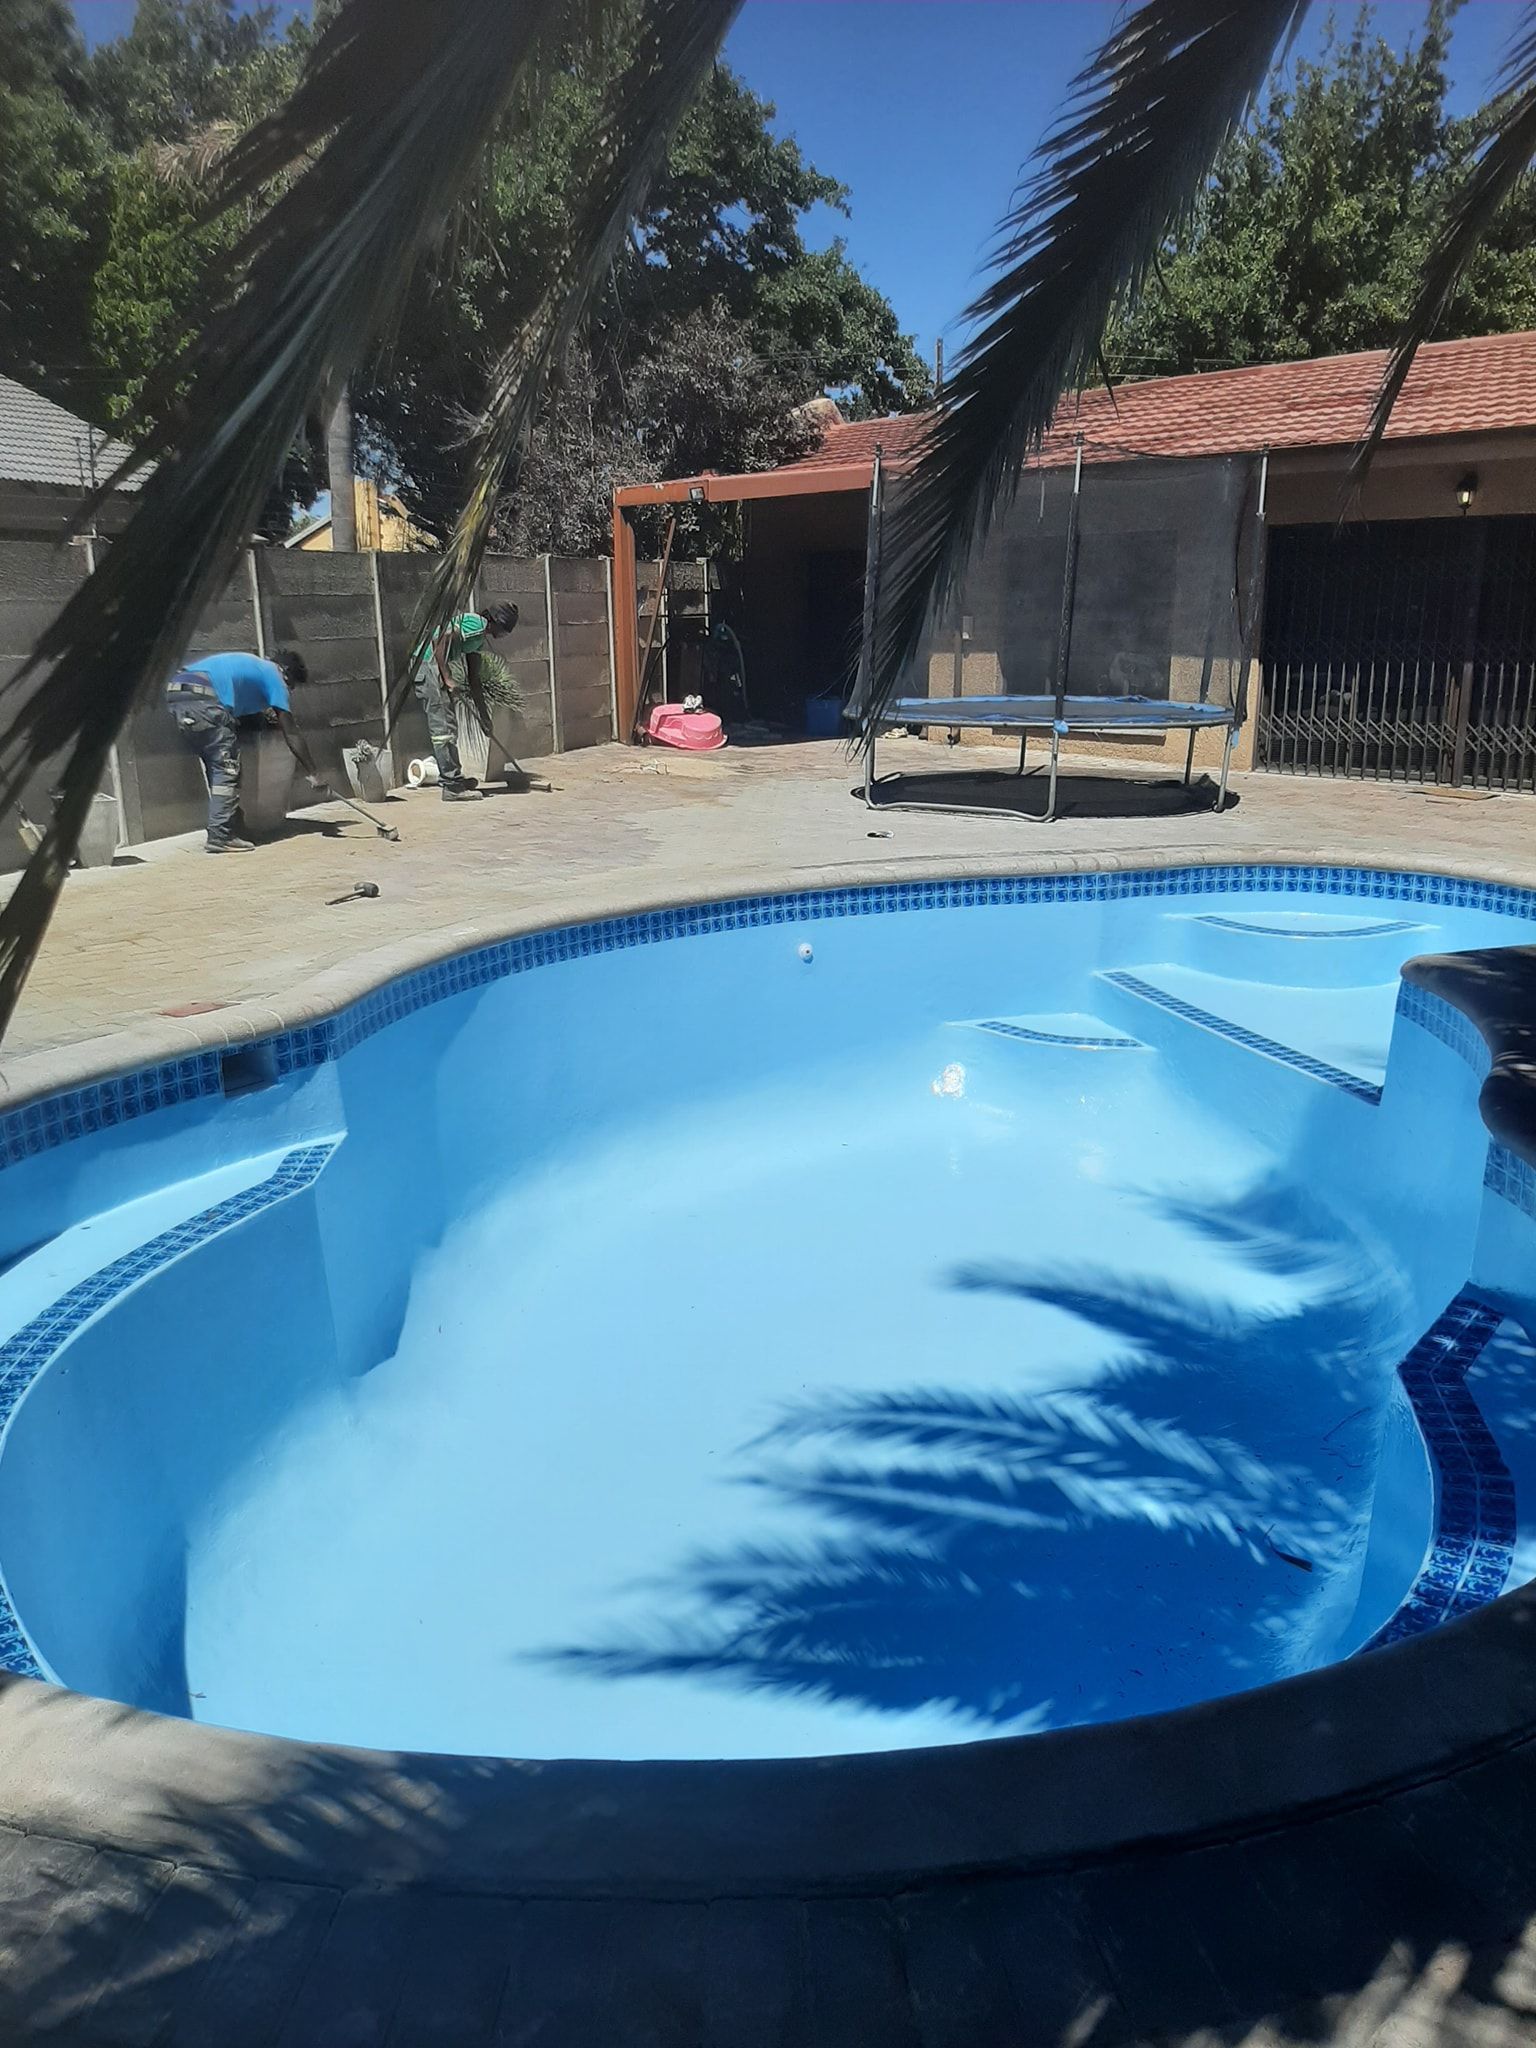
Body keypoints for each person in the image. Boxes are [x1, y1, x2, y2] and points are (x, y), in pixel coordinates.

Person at [164, 649, 322, 852]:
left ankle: (233, 824)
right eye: (291, 685)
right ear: (286, 672)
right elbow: (291, 733)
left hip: (177, 691)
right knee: (227, 768)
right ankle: (220, 835)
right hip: (205, 695)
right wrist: (314, 774)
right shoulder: (274, 676)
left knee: (217, 764)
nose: (289, 691)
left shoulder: (254, 668)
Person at [412, 604, 518, 801]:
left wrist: (485, 718)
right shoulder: (476, 624)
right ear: (497, 622)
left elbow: (474, 680)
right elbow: (439, 638)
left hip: (434, 667)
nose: (503, 635)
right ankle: (452, 787)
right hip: (427, 666)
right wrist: (447, 677)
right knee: (443, 730)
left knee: (449, 726)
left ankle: (455, 779)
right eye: (504, 630)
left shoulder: (478, 639)